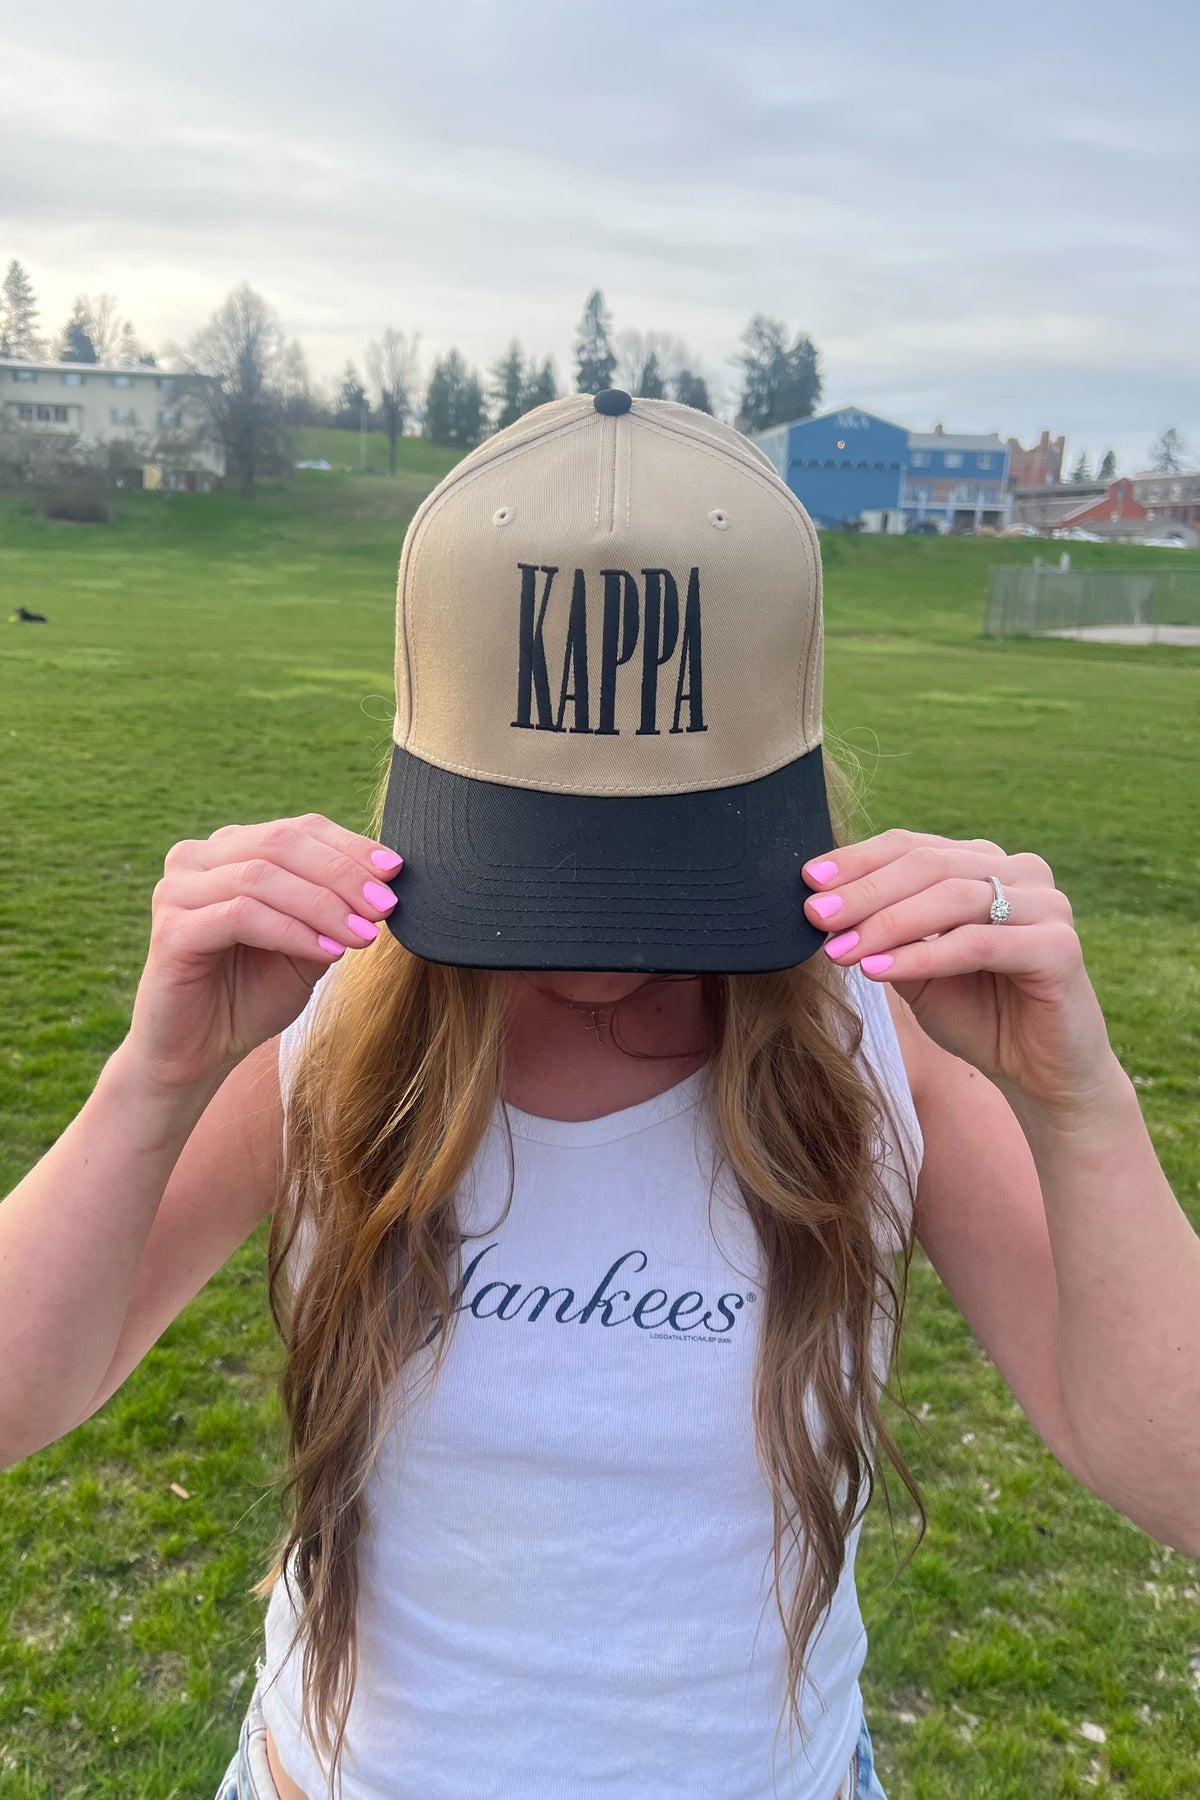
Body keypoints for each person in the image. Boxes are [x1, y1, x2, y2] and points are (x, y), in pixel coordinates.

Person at [1, 394, 1196, 1800]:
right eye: (540, 858)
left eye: (674, 867)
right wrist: (154, 1077)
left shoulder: (884, 1032)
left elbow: (1172, 1472)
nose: (602, 942)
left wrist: (1078, 1102)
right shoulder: (321, 1018)